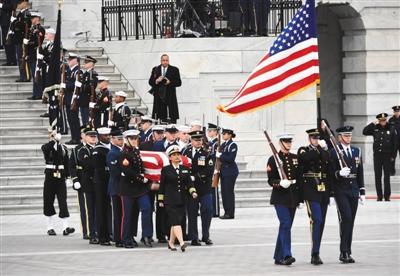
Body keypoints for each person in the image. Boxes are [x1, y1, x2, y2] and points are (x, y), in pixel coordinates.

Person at [297, 128, 333, 265]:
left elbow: (327, 163)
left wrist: (324, 148)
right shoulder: (304, 150)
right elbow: (304, 159)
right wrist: (318, 150)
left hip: (323, 189)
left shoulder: (323, 151)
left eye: (317, 138)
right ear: (309, 139)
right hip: (310, 190)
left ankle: (317, 250)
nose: (316, 140)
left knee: (321, 221)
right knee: (316, 219)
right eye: (313, 138)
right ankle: (315, 253)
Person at [330, 126, 365, 264]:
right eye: (345, 136)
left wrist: (362, 191)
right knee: (346, 219)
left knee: (351, 221)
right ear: (339, 137)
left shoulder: (357, 151)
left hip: (353, 190)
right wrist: (338, 174)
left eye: (349, 135)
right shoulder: (334, 152)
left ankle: (347, 251)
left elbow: (360, 172)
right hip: (341, 191)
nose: (348, 138)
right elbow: (331, 173)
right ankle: (343, 251)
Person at [267, 133, 299, 266]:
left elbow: (299, 179)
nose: (289, 144)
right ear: (280, 143)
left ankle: (278, 256)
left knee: (286, 226)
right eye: (286, 142)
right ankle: (287, 254)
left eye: (290, 142)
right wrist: (280, 183)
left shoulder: (295, 158)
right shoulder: (273, 159)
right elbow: (270, 180)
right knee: (285, 224)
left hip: (292, 197)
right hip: (280, 197)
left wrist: (301, 199)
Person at [158, 145, 198, 252]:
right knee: (176, 221)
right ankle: (181, 242)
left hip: (181, 199)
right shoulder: (166, 170)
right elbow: (162, 186)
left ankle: (171, 243)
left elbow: (189, 183)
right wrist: (160, 200)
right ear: (170, 157)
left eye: (178, 154)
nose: (176, 157)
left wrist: (193, 192)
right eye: (174, 155)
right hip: (169, 200)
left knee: (175, 222)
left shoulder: (184, 169)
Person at [119, 129, 153, 248]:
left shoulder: (136, 151)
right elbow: (127, 172)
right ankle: (126, 239)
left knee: (147, 208)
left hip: (140, 189)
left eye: (135, 138)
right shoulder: (124, 153)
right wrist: (141, 178)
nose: (134, 141)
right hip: (128, 189)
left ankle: (146, 235)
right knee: (128, 215)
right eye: (132, 139)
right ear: (127, 140)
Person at [182, 131, 214, 246]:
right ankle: (194, 237)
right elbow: (182, 165)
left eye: (200, 140)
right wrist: (187, 178)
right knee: (192, 212)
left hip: (204, 187)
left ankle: (206, 236)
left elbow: (209, 170)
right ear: (191, 141)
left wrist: (195, 177)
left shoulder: (207, 153)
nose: (198, 142)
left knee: (207, 210)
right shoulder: (186, 152)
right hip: (191, 188)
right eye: (196, 140)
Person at [41, 130, 75, 236]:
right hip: (50, 176)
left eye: (56, 135)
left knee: (62, 201)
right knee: (48, 201)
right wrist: (53, 140)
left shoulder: (63, 148)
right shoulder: (47, 146)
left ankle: (65, 227)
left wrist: (68, 176)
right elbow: (46, 150)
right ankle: (49, 227)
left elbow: (66, 163)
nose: (55, 137)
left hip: (60, 177)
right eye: (53, 136)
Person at [363, 113, 397, 201]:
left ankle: (387, 196)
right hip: (377, 156)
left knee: (386, 176)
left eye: (384, 120)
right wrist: (372, 124)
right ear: (379, 121)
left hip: (387, 155)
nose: (383, 122)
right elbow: (364, 132)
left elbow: (395, 143)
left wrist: (393, 156)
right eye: (381, 121)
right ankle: (379, 195)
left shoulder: (391, 128)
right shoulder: (375, 128)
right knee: (378, 176)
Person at [78, 127, 98, 244]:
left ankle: (99, 231)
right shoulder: (83, 150)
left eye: (94, 136)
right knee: (90, 210)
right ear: (86, 138)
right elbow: (87, 164)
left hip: (98, 183)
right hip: (88, 184)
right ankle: (91, 233)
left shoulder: (99, 148)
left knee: (98, 209)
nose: (93, 138)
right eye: (91, 136)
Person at [92, 127, 112, 245]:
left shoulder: (110, 148)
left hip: (109, 181)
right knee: (102, 209)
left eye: (108, 135)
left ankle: (109, 233)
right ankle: (102, 236)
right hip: (101, 183)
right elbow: (98, 168)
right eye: (105, 135)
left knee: (109, 210)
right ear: (100, 137)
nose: (108, 137)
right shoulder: (98, 150)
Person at [69, 127, 89, 240]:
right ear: (82, 136)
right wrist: (75, 179)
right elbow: (71, 166)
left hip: (93, 180)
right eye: (85, 134)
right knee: (84, 208)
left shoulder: (95, 148)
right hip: (82, 179)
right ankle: (86, 230)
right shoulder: (76, 149)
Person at [148, 54, 182, 123]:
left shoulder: (174, 69)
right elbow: (150, 82)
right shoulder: (155, 69)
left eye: (166, 60)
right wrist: (156, 81)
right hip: (159, 95)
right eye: (163, 60)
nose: (165, 62)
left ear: (168, 61)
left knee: (172, 115)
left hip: (170, 95)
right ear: (161, 61)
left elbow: (179, 83)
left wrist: (170, 82)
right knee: (160, 116)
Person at [106, 128, 125, 247]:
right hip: (116, 187)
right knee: (117, 214)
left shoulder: (121, 151)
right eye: (119, 139)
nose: (121, 141)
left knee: (122, 214)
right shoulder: (113, 153)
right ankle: (118, 238)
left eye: (122, 139)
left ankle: (122, 236)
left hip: (122, 187)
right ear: (112, 140)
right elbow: (115, 171)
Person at [217, 128, 239, 219]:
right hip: (223, 171)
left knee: (228, 193)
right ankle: (226, 212)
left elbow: (231, 158)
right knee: (224, 192)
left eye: (225, 134)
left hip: (230, 171)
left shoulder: (232, 145)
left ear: (230, 135)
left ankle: (230, 213)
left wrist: (220, 155)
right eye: (223, 134)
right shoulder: (223, 144)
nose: (223, 135)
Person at [26, 11, 45, 100]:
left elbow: (38, 42)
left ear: (37, 19)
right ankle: (35, 93)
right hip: (31, 54)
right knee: (34, 75)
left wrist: (29, 43)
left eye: (33, 18)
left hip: (36, 54)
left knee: (36, 74)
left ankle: (38, 93)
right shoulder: (32, 28)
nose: (31, 20)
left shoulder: (40, 29)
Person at [64, 52, 81, 145]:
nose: (69, 61)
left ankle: (76, 138)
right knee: (70, 119)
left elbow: (76, 85)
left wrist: (65, 85)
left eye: (71, 59)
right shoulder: (70, 71)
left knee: (74, 119)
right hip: (68, 98)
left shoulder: (77, 72)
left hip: (73, 98)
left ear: (75, 60)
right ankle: (73, 137)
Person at [13, 1, 30, 82]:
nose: (18, 5)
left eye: (19, 3)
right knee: (19, 59)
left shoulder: (26, 14)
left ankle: (26, 76)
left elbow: (25, 27)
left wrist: (15, 24)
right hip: (18, 40)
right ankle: (22, 76)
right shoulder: (20, 13)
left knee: (23, 59)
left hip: (22, 40)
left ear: (24, 3)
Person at [80, 55, 98, 126]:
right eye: (85, 62)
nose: (85, 63)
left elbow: (91, 87)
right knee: (84, 118)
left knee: (87, 119)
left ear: (91, 64)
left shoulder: (93, 74)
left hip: (88, 99)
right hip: (83, 99)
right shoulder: (85, 74)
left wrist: (81, 86)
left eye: (86, 62)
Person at [207, 123, 220, 217]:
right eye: (208, 130)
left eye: (210, 131)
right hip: (210, 168)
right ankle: (212, 210)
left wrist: (216, 169)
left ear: (215, 132)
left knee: (214, 190)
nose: (209, 132)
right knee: (211, 190)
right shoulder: (211, 143)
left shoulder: (216, 143)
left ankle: (215, 211)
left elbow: (216, 158)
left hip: (214, 169)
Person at [0, 0, 17, 66]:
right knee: (5, 42)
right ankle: (9, 60)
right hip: (3, 22)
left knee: (9, 42)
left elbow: (12, 6)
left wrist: (1, 5)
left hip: (8, 23)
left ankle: (12, 61)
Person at [389, 106, 400, 175]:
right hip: (394, 142)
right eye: (395, 111)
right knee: (392, 157)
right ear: (393, 112)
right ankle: (392, 171)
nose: (397, 113)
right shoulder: (391, 120)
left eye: (398, 111)